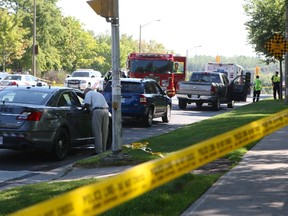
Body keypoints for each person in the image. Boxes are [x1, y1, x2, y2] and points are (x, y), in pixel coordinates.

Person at [83, 88, 109, 155]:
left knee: (97, 132)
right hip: (106, 111)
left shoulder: (89, 93)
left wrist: (82, 108)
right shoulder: (99, 94)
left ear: (86, 92)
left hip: (97, 111)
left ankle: (98, 151)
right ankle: (104, 150)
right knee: (104, 132)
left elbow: (87, 104)